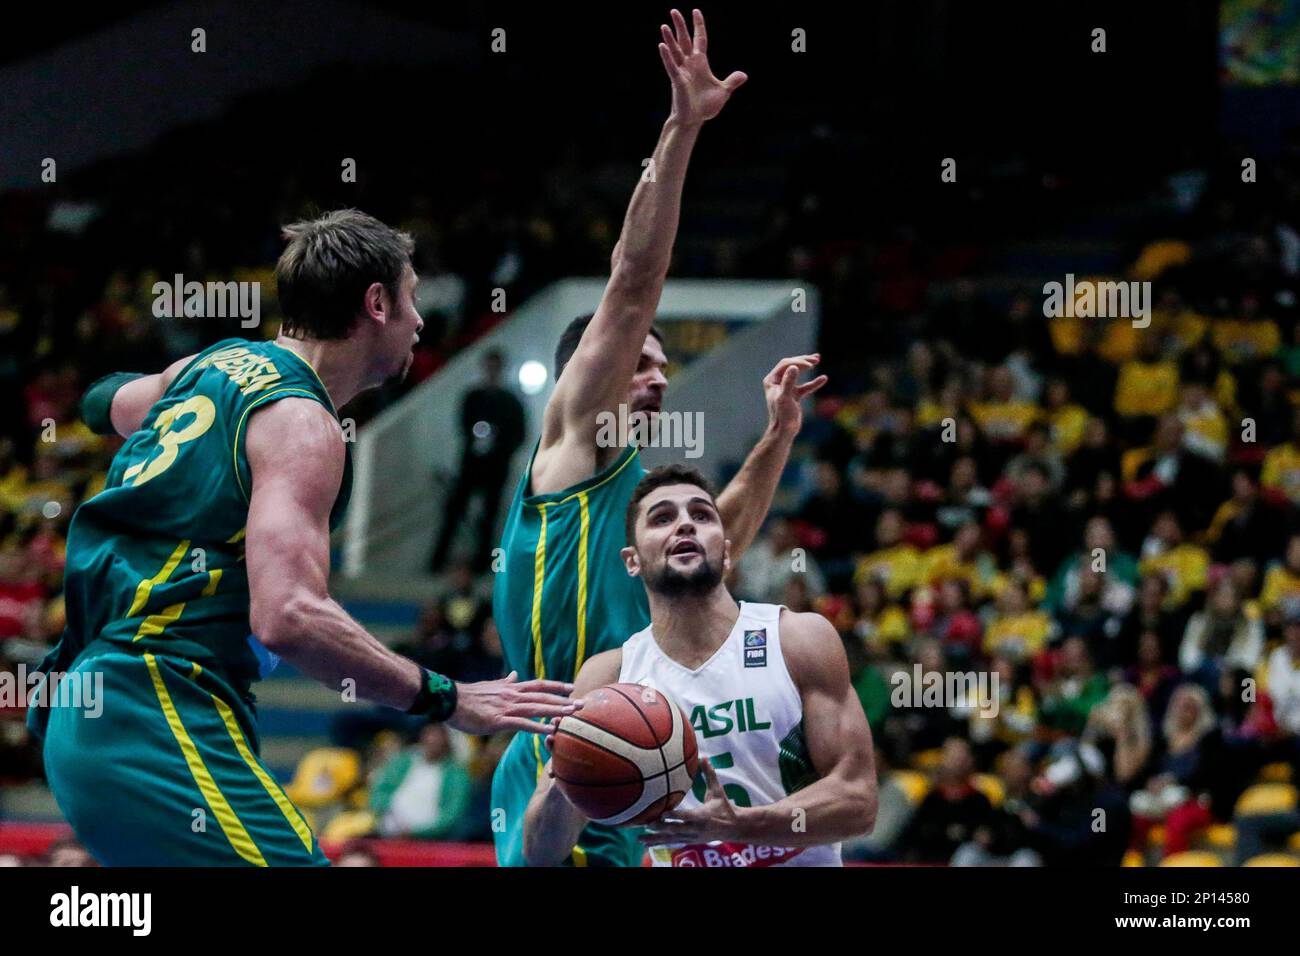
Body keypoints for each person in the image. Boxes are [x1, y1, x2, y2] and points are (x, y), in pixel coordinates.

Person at [26, 209, 575, 866]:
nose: (421, 322)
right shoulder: (303, 424)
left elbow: (107, 404)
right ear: (376, 303)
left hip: (96, 710)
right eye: (412, 299)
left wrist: (105, 400)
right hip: (153, 705)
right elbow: (288, 616)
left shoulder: (215, 364)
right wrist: (448, 697)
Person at [492, 10, 826, 868]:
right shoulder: (574, 447)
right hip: (570, 749)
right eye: (640, 361)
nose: (657, 375)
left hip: (658, 757)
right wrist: (682, 129)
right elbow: (634, 280)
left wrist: (778, 436)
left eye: (663, 365)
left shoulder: (647, 501)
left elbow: (729, 534)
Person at [522, 465, 877, 867]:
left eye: (702, 514)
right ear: (632, 561)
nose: (685, 525)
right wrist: (565, 778)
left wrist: (741, 825)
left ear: (726, 551)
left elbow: (859, 801)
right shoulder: (608, 679)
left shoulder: (797, 638)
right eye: (662, 518)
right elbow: (541, 852)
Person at [430, 349, 526, 573]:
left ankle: (482, 564)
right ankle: (437, 561)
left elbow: (519, 434)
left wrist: (499, 449)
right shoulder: (473, 397)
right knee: (454, 513)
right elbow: (463, 427)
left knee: (488, 518)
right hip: (470, 467)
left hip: (495, 469)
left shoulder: (510, 401)